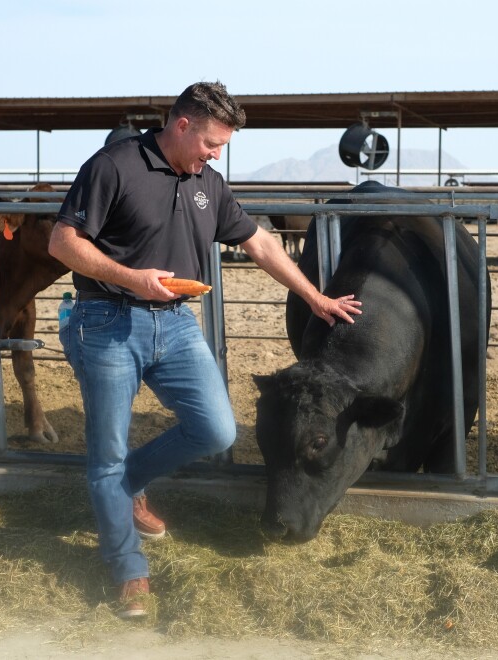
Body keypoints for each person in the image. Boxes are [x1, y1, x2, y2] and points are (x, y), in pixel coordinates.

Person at [48, 80, 361, 619]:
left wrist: (313, 297)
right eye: (212, 144)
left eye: (223, 148)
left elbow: (259, 241)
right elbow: (62, 243)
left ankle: (127, 487)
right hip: (104, 320)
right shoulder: (113, 166)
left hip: (175, 323)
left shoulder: (208, 184)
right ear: (182, 124)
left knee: (216, 429)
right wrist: (132, 277)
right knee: (107, 455)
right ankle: (129, 571)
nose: (216, 155)